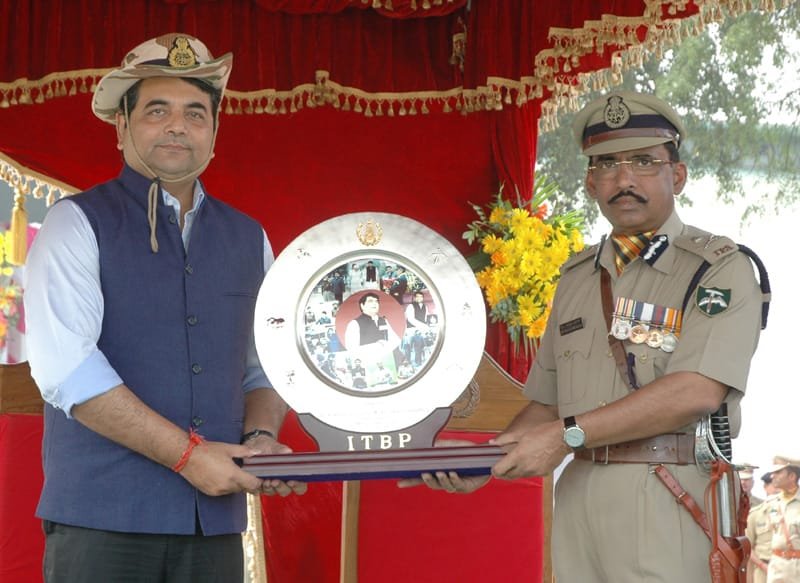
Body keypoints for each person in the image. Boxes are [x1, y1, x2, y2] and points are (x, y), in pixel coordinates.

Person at [402, 90, 765, 582]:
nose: (624, 180)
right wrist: (482, 458)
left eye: (643, 161)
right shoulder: (575, 278)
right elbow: (549, 405)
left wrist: (566, 435)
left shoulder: (718, 269)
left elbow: (695, 390)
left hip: (671, 497)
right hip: (577, 499)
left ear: (676, 175)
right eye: (607, 165)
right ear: (591, 182)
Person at [23, 33, 305, 583]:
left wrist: (261, 438)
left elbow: (264, 365)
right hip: (102, 522)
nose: (178, 125)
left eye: (195, 113)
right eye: (157, 109)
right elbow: (69, 371)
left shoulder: (250, 238)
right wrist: (190, 457)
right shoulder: (75, 223)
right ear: (123, 127)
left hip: (212, 527)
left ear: (215, 134)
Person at [764, 456, 800, 582]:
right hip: (776, 567)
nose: (772, 476)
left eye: (778, 472)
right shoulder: (771, 503)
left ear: (792, 476)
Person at [343, 292, 401, 359]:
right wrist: (377, 346)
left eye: (376, 301)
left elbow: (395, 340)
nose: (375, 303)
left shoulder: (383, 320)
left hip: (387, 358)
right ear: (362, 306)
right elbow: (352, 349)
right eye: (370, 301)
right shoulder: (354, 324)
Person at [747, 469, 781, 583]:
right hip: (763, 570)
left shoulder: (793, 512)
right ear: (765, 487)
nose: (777, 490)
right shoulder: (755, 514)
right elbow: (748, 547)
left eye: (780, 487)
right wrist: (762, 566)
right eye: (774, 486)